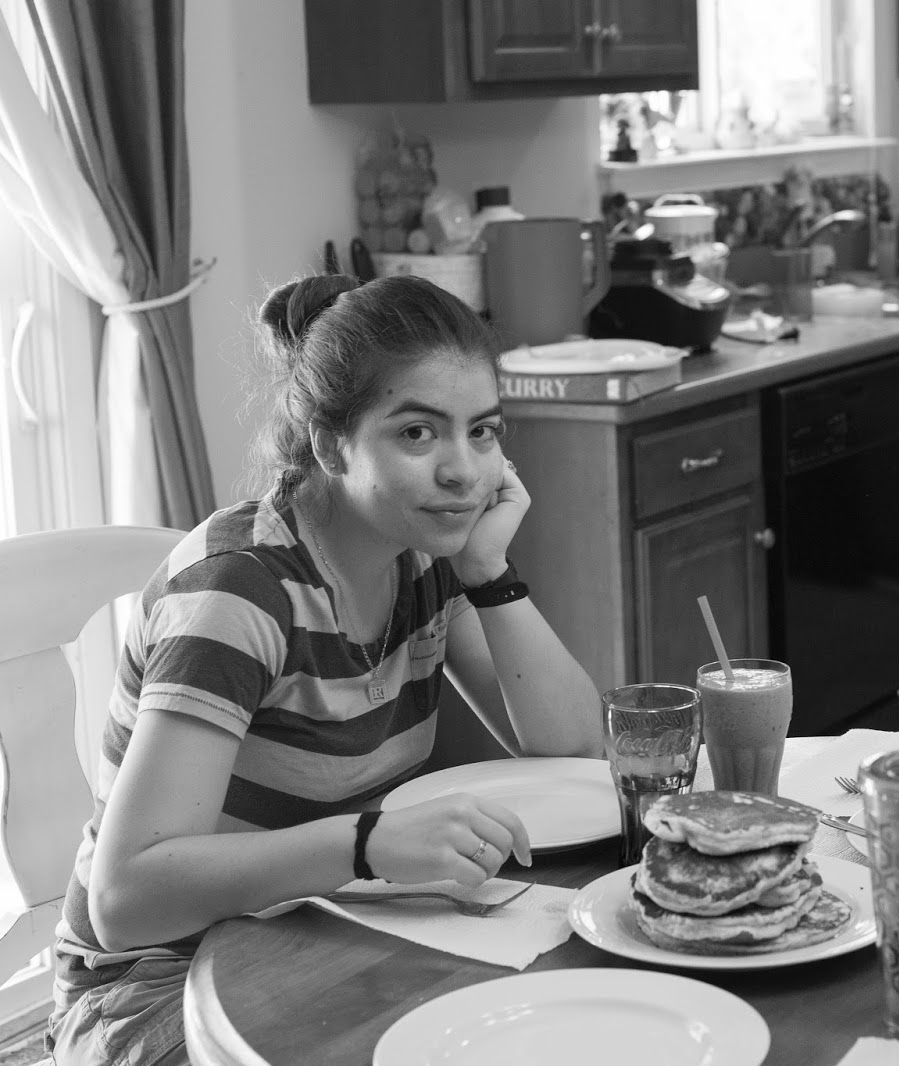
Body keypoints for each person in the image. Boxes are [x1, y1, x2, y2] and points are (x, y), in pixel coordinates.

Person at [48, 274, 604, 1066]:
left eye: (483, 432)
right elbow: (126, 899)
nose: (464, 470)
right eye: (418, 433)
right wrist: (367, 844)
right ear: (329, 443)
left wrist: (489, 572)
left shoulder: (423, 556)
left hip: (320, 930)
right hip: (154, 994)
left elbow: (574, 750)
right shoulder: (239, 593)